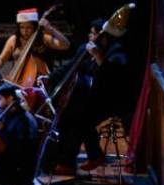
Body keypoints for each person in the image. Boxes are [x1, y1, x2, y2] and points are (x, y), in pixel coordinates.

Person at [52, 16, 130, 175]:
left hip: (110, 102)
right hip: (90, 100)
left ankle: (70, 161)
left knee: (79, 119)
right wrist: (50, 76)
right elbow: (69, 67)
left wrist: (98, 56)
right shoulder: (84, 49)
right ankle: (88, 156)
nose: (90, 36)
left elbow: (112, 77)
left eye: (93, 34)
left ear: (104, 38)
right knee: (68, 115)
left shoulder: (117, 53)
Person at [0, 7, 70, 75]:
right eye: (22, 27)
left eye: (28, 28)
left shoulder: (44, 38)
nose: (25, 31)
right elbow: (1, 60)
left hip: (39, 80)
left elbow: (65, 45)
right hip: (17, 79)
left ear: (35, 27)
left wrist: (51, 29)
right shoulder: (14, 40)